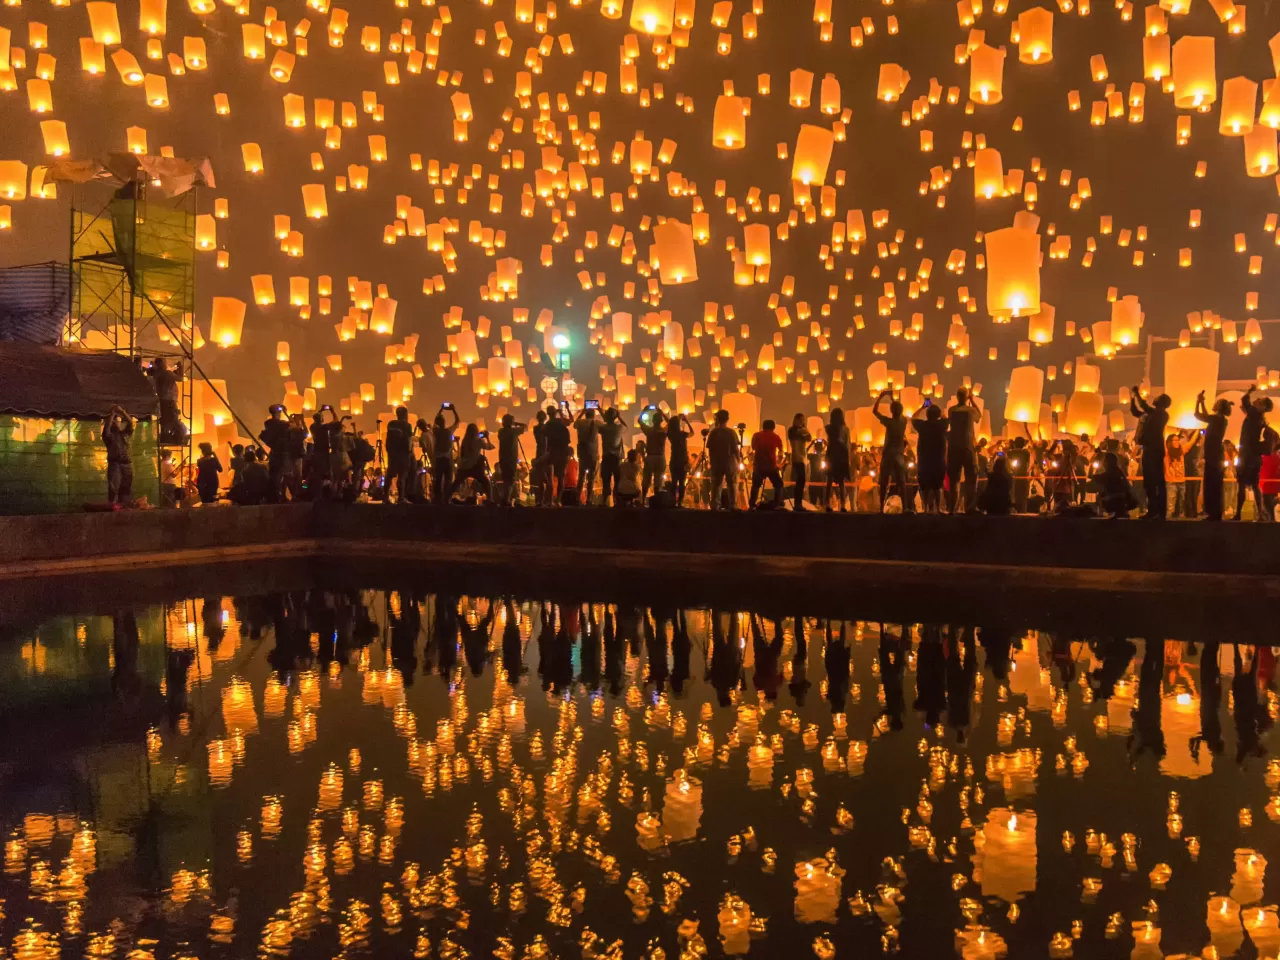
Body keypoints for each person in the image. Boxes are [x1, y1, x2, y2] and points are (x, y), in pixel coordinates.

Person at [1130, 386, 1171, 519]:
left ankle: (1158, 511)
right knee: (1150, 481)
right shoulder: (1151, 414)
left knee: (1155, 481)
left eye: (1158, 398)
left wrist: (1136, 394)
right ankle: (1154, 510)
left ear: (1162, 403)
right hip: (1149, 448)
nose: (1155, 399)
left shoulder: (1161, 414)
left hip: (1154, 449)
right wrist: (1132, 399)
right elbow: (1136, 412)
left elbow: (1144, 406)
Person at [1236, 386, 1271, 520]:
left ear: (1263, 407)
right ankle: (1261, 513)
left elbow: (1245, 401)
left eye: (1260, 401)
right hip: (1253, 456)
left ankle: (1239, 513)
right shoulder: (1258, 417)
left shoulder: (1254, 414)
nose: (1256, 401)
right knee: (1254, 485)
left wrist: (1250, 391)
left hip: (1247, 455)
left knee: (1242, 484)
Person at [873, 389, 911, 513]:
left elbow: (875, 411)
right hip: (899, 454)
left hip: (888, 454)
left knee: (884, 481)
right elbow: (898, 410)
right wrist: (892, 399)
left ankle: (881, 507)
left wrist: (880, 397)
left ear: (891, 411)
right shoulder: (903, 422)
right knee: (901, 481)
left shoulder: (888, 422)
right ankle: (905, 507)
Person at [945, 387, 980, 514]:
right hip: (967, 447)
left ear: (957, 396)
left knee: (954, 480)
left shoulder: (951, 410)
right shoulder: (971, 410)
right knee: (971, 477)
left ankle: (952, 508)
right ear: (967, 397)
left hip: (954, 447)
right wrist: (973, 400)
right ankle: (969, 507)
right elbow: (978, 416)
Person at [912, 403, 947, 513]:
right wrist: (941, 411)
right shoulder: (942, 425)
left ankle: (926, 508)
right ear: (938, 414)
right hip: (938, 459)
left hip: (924, 460)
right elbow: (945, 418)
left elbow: (913, 417)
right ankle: (938, 508)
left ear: (927, 415)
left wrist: (922, 407)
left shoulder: (922, 425)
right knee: (937, 486)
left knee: (925, 486)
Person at [101, 404, 135, 508]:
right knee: (113, 487)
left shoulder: (125, 434)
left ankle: (123, 505)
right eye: (114, 421)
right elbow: (107, 429)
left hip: (126, 463)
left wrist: (122, 411)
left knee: (126, 486)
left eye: (118, 420)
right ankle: (112, 506)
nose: (116, 422)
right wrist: (112, 415)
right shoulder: (109, 436)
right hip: (115, 463)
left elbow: (130, 423)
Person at [706, 410, 739, 510]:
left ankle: (715, 505)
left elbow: (710, 449)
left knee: (716, 484)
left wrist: (712, 462)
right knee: (732, 484)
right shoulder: (731, 432)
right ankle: (733, 505)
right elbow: (735, 449)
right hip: (729, 461)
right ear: (727, 419)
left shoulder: (713, 432)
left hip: (717, 461)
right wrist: (738, 460)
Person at [148, 358, 186, 444]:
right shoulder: (167, 373)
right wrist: (181, 367)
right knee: (174, 419)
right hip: (170, 400)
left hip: (161, 400)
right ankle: (179, 438)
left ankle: (164, 437)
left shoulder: (156, 374)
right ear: (162, 364)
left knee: (164, 421)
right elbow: (180, 378)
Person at [451, 424, 493, 502]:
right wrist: (487, 437)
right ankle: (490, 499)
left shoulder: (464, 441)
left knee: (456, 483)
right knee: (486, 483)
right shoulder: (479, 441)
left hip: (464, 466)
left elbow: (462, 454)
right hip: (475, 467)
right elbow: (490, 447)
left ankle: (446, 498)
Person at [748, 420, 784, 509]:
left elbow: (753, 447)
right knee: (778, 484)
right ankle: (777, 503)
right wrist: (779, 463)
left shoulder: (756, 435)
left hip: (759, 465)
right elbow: (781, 450)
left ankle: (752, 504)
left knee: (756, 485)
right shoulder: (776, 437)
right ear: (773, 427)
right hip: (771, 465)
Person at [259, 404, 291, 501]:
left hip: (274, 453)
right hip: (282, 453)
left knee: (274, 475)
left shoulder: (268, 423)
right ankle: (280, 495)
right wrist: (286, 412)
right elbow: (293, 424)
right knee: (283, 474)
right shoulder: (282, 424)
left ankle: (274, 495)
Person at [384, 406, 415, 504]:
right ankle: (401, 498)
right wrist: (410, 453)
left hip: (392, 454)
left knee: (389, 475)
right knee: (402, 477)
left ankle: (385, 497)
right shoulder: (407, 426)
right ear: (405, 414)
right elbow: (408, 440)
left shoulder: (391, 424)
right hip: (403, 454)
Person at [431, 403, 461, 503]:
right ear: (444, 422)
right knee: (448, 481)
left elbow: (435, 421)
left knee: (438, 480)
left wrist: (441, 409)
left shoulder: (435, 431)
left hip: (438, 460)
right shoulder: (449, 432)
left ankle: (437, 499)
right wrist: (453, 410)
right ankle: (447, 499)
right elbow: (457, 421)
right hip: (447, 460)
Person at [1094, 451, 1137, 518]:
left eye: (1104, 461)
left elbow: (1103, 478)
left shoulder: (1112, 472)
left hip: (1117, 497)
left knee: (1100, 497)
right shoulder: (1118, 471)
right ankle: (1121, 511)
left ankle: (1118, 510)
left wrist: (1094, 476)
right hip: (1122, 497)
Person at [823, 407, 851, 512]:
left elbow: (830, 442)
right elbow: (847, 444)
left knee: (829, 481)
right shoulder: (845, 429)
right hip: (842, 455)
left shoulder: (829, 428)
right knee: (841, 482)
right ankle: (843, 505)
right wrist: (848, 459)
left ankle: (827, 504)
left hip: (831, 454)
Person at [597, 408, 627, 506]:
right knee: (617, 481)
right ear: (615, 417)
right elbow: (625, 426)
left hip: (606, 457)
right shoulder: (619, 428)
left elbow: (606, 422)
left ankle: (604, 501)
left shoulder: (603, 428)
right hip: (617, 458)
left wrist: (600, 411)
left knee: (606, 481)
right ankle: (616, 501)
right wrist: (619, 416)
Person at [640, 406, 669, 502]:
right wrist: (662, 412)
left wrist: (645, 410)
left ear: (652, 421)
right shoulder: (664, 431)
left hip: (650, 456)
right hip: (660, 456)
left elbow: (640, 421)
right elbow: (670, 423)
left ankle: (643, 500)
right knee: (658, 481)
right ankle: (657, 501)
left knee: (646, 480)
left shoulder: (649, 431)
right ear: (661, 421)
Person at [545, 404, 573, 504]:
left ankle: (549, 499)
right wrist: (564, 410)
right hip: (562, 451)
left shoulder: (547, 424)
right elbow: (571, 420)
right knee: (561, 477)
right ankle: (558, 499)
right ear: (555, 412)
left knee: (550, 476)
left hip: (552, 452)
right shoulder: (560, 421)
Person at [496, 414, 527, 506]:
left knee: (506, 480)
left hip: (503, 459)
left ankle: (507, 499)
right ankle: (506, 500)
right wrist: (515, 423)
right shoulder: (514, 431)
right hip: (511, 460)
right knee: (511, 480)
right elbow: (525, 426)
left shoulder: (501, 432)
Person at [574, 406, 601, 505]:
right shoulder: (596, 423)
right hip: (593, 453)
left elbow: (574, 424)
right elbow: (606, 424)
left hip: (582, 453)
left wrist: (581, 413)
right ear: (594, 415)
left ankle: (577, 499)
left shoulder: (580, 423)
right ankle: (589, 499)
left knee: (581, 477)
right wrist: (600, 410)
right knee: (591, 478)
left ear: (585, 414)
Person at [667, 412, 694, 507]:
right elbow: (692, 433)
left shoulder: (670, 435)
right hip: (683, 461)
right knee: (682, 483)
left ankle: (672, 501)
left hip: (674, 460)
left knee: (674, 482)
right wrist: (687, 421)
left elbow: (669, 424)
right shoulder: (682, 434)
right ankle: (680, 502)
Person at [786, 413, 812, 510]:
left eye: (803, 420)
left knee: (801, 481)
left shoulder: (802, 430)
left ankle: (798, 503)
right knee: (800, 480)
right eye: (800, 420)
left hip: (802, 458)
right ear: (795, 420)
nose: (802, 422)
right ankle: (797, 504)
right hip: (797, 458)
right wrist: (802, 430)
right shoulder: (792, 430)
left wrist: (804, 429)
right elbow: (804, 437)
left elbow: (809, 438)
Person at [283, 413, 308, 501]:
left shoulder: (290, 430)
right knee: (296, 476)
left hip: (293, 455)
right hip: (295, 456)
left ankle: (294, 493)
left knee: (293, 476)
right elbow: (305, 433)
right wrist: (303, 422)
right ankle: (295, 493)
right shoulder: (296, 430)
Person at [1165, 432, 1187, 519]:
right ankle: (1168, 521)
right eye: (1175, 440)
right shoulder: (1167, 453)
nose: (1178, 442)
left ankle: (1180, 520)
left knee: (1182, 503)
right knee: (1170, 505)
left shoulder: (1181, 452)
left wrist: (1197, 431)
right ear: (1170, 442)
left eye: (1178, 440)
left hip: (1181, 481)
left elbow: (1191, 443)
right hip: (1171, 482)